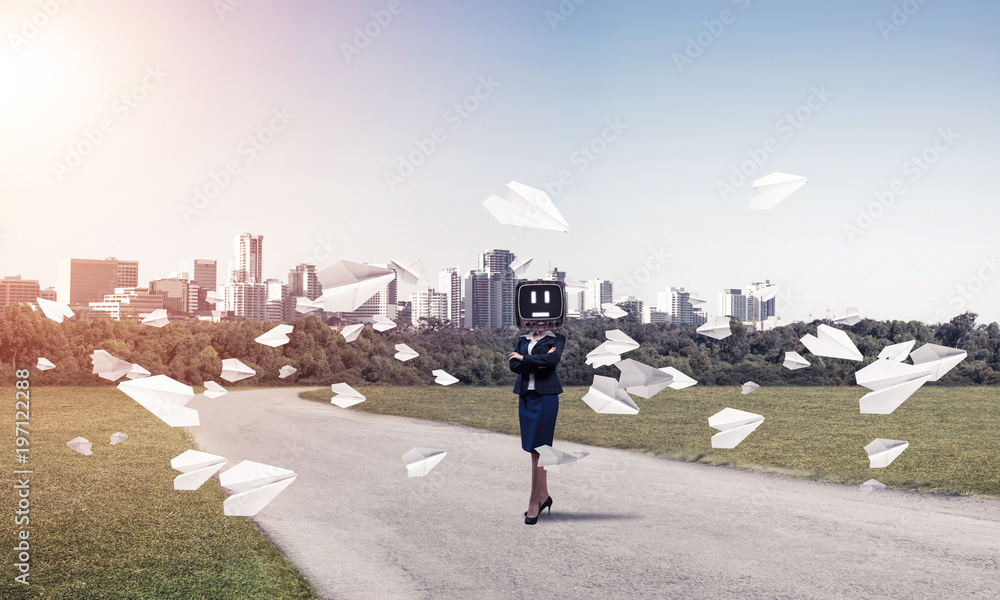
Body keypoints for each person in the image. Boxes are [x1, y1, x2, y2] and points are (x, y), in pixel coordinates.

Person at [508, 329, 566, 525]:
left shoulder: (556, 338)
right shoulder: (522, 339)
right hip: (526, 397)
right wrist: (538, 361)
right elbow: (514, 366)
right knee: (533, 451)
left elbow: (552, 362)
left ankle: (534, 503)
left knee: (541, 450)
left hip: (546, 397)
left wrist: (524, 358)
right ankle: (544, 496)